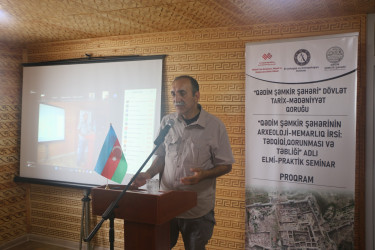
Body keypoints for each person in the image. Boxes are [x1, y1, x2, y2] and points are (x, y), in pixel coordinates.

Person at [133, 75, 234, 249]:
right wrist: (149, 173)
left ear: (197, 96)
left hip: (197, 209)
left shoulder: (215, 126)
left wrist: (204, 175)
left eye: (182, 93)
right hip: (165, 203)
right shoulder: (167, 122)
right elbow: (162, 156)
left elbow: (226, 165)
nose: (176, 99)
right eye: (173, 94)